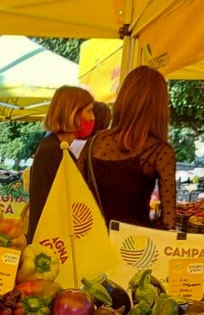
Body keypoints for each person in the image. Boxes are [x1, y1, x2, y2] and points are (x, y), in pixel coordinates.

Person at [78, 66, 176, 230]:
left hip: (90, 241)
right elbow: (168, 220)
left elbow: (75, 193)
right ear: (159, 106)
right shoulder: (159, 151)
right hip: (134, 247)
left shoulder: (94, 142)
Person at [27, 86, 96, 240]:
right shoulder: (54, 150)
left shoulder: (55, 146)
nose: (92, 117)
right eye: (89, 111)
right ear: (72, 112)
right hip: (52, 243)